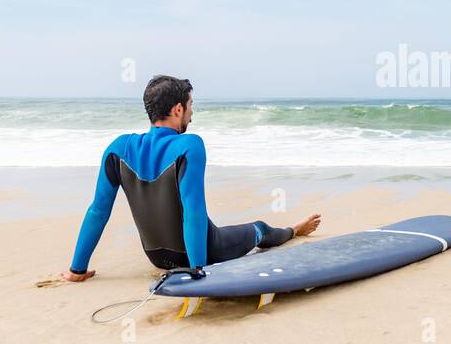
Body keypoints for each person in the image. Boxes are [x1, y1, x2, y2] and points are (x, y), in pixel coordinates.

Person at [62, 75, 320, 281]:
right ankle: (293, 230)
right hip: (203, 252)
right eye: (190, 106)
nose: (191, 114)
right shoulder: (189, 145)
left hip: (157, 257)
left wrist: (77, 269)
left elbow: (98, 211)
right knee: (260, 229)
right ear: (177, 109)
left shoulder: (118, 147)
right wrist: (198, 271)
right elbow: (193, 212)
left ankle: (77, 268)